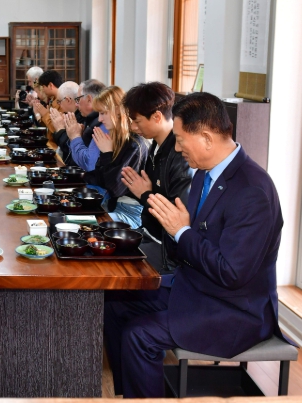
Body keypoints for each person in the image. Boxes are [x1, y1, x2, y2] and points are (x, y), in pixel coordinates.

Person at [105, 91, 287, 398]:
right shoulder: (204, 174)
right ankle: (130, 395)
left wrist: (182, 231)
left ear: (206, 138)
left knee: (140, 335)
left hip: (236, 309)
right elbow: (189, 242)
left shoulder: (253, 190)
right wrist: (177, 231)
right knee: (114, 301)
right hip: (198, 287)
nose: (176, 148)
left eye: (179, 139)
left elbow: (232, 272)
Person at [120, 82, 193, 272]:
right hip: (148, 232)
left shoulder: (180, 156)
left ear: (157, 117)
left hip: (165, 247)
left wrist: (145, 194)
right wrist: (141, 192)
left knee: (114, 267)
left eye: (137, 121)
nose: (133, 127)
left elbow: (177, 215)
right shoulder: (156, 145)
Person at [76, 86, 148, 222]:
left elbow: (115, 188)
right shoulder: (114, 138)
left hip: (130, 212)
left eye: (103, 113)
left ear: (118, 111)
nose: (100, 119)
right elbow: (100, 179)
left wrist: (107, 153)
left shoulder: (134, 145)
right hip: (111, 205)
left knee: (84, 223)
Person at [67, 79, 107, 171]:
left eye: (78, 99)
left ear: (89, 99)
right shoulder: (90, 119)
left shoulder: (103, 124)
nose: (76, 105)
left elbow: (89, 163)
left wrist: (75, 137)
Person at [48, 81, 81, 166]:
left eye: (59, 101)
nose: (59, 105)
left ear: (68, 100)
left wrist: (60, 129)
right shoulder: (70, 114)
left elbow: (69, 149)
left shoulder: (81, 117)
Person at [31, 70, 63, 146]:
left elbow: (57, 129)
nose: (43, 90)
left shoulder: (62, 101)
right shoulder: (53, 100)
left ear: (51, 85)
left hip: (56, 145)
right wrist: (41, 114)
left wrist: (45, 114)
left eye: (43, 87)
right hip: (49, 142)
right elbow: (46, 126)